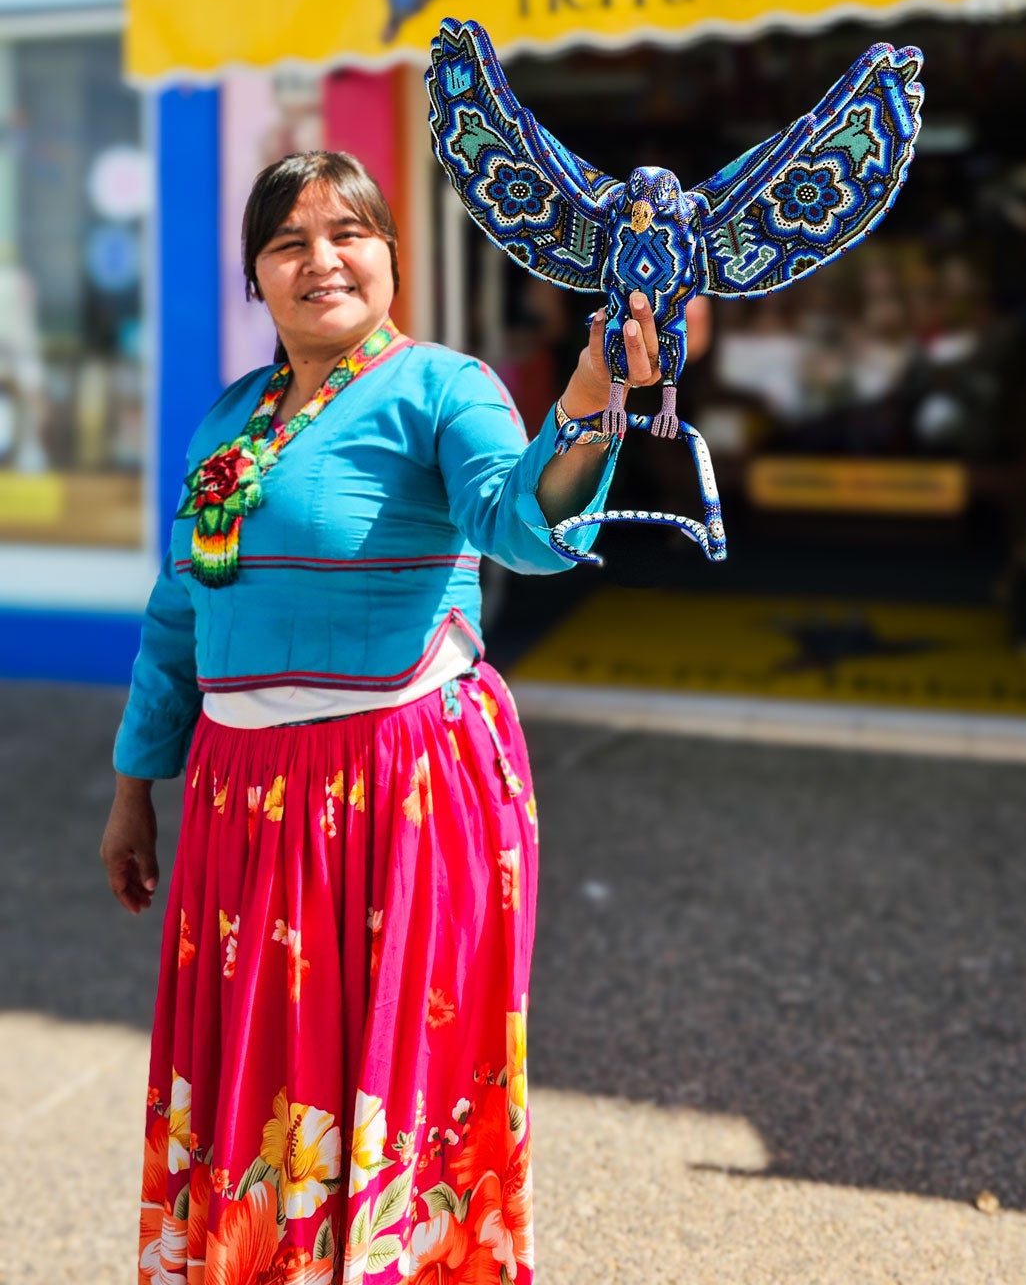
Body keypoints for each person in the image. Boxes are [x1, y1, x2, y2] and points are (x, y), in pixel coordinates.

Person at [102, 149, 662, 1285]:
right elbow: (177, 613)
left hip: (398, 786)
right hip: (240, 797)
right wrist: (133, 791)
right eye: (288, 242)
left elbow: (516, 524)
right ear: (253, 280)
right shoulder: (226, 422)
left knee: (395, 1071)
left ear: (392, 259)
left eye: (348, 232)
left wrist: (597, 392)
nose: (322, 260)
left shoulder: (441, 388)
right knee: (265, 1071)